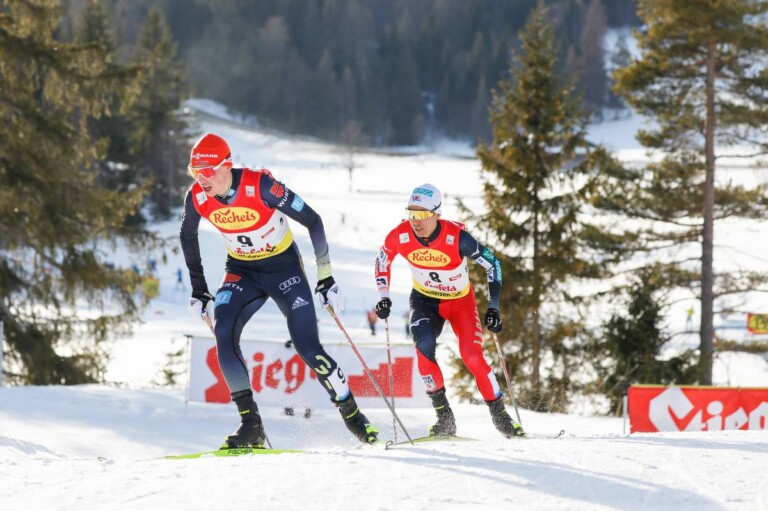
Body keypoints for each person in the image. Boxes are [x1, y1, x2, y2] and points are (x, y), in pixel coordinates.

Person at [180, 133, 379, 448]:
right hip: (241, 271)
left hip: (283, 270)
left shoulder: (259, 186)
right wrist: (198, 289)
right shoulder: (198, 197)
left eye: (208, 172)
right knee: (223, 331)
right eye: (195, 172)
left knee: (308, 348)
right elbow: (187, 235)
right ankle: (251, 425)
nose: (201, 179)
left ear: (226, 165)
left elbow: (313, 221)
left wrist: (325, 276)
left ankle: (353, 415)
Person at [373, 183, 524, 438]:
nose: (415, 221)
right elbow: (382, 260)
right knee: (423, 350)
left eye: (422, 215)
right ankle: (444, 417)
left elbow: (493, 264)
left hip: (460, 303)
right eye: (411, 214)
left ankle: (500, 415)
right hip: (424, 301)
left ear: (436, 214)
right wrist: (384, 297)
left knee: (472, 356)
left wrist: (494, 308)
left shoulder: (457, 238)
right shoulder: (400, 235)